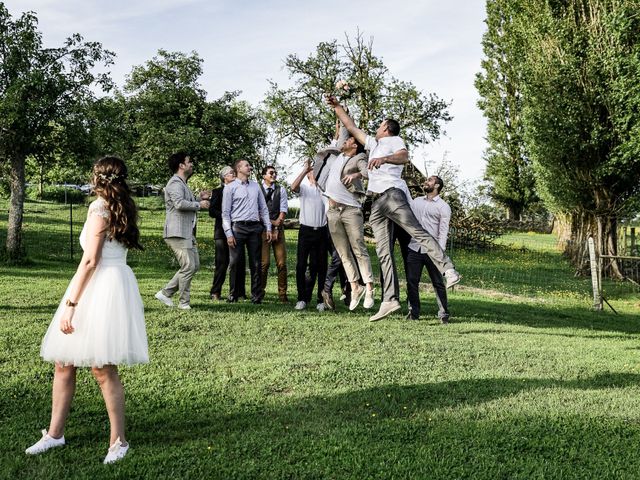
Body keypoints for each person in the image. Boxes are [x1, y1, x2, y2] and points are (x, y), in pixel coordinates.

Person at [26, 156, 148, 464]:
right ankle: (55, 434)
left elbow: (91, 260)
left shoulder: (100, 209)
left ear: (98, 178)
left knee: (102, 367)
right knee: (64, 361)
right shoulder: (118, 206)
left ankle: (118, 441)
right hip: (107, 283)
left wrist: (70, 305)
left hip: (101, 287)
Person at [327, 95, 461, 322]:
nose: (377, 128)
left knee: (417, 231)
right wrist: (338, 107)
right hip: (377, 203)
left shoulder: (393, 141)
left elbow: (404, 157)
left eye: (380, 125)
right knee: (383, 252)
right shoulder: (373, 143)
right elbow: (350, 126)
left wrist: (385, 159)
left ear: (387, 129)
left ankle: (448, 269)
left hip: (393, 195)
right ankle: (390, 299)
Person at [322, 127, 376, 311]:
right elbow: (341, 132)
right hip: (333, 212)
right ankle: (355, 287)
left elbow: (369, 173)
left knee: (358, 249)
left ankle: (369, 287)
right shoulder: (337, 157)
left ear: (354, 145)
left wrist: (356, 175)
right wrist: (339, 114)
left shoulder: (358, 158)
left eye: (348, 140)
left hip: (350, 210)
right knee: (343, 253)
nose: (344, 142)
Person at [155, 152, 210, 310]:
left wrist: (198, 199)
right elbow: (179, 204)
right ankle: (183, 303)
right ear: (181, 165)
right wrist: (200, 205)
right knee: (189, 266)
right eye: (189, 161)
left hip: (186, 232)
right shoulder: (174, 183)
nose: (192, 164)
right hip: (177, 232)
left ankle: (165, 293)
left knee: (194, 265)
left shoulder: (182, 183)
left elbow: (184, 202)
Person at [222, 159, 272, 304]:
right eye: (246, 165)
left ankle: (256, 296)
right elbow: (225, 213)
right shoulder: (230, 188)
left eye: (249, 165)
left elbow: (263, 209)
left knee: (256, 263)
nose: (249, 167)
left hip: (255, 227)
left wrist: (268, 227)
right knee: (235, 262)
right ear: (238, 169)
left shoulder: (256, 187)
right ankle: (233, 294)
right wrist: (228, 233)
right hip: (238, 227)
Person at [406, 176, 452, 323]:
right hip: (414, 248)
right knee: (412, 281)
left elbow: (443, 231)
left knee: (438, 283)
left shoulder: (443, 207)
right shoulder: (416, 202)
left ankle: (443, 314)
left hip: (433, 251)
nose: (426, 182)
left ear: (437, 185)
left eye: (430, 180)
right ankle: (413, 313)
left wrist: (440, 253)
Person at [291, 160, 329, 311]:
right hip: (305, 231)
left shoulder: (324, 188)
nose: (315, 172)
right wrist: (304, 170)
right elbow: (293, 187)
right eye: (312, 170)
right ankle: (302, 299)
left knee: (320, 266)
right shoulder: (304, 188)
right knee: (301, 265)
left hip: (321, 231)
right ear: (308, 174)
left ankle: (321, 300)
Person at [208, 166, 245, 301]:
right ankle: (215, 291)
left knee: (238, 262)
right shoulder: (218, 192)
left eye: (234, 173)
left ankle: (238, 292)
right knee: (222, 262)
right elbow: (212, 211)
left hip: (238, 231)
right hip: (221, 232)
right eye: (231, 173)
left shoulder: (239, 190)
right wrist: (227, 215)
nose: (234, 174)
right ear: (224, 177)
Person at [259, 165, 289, 303]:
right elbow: (257, 211)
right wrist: (271, 223)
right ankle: (260, 292)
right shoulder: (257, 190)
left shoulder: (281, 189)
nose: (274, 175)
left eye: (275, 173)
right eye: (271, 173)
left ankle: (282, 295)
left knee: (282, 263)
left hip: (279, 230)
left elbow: (283, 209)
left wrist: (278, 225)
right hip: (263, 230)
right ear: (264, 175)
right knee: (264, 263)